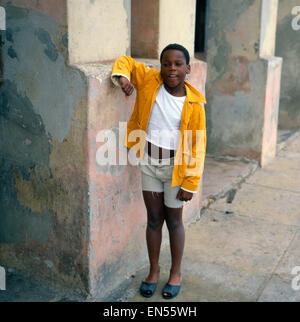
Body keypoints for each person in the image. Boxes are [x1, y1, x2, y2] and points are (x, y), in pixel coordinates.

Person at [111, 44, 206, 299]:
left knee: (174, 222)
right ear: (160, 66)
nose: (171, 69)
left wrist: (190, 182)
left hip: (177, 170)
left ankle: (176, 273)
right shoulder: (150, 80)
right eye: (166, 63)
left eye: (177, 64)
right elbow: (126, 61)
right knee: (153, 220)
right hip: (150, 164)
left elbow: (198, 146)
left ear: (188, 68)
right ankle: (154, 270)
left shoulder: (194, 104)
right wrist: (123, 78)